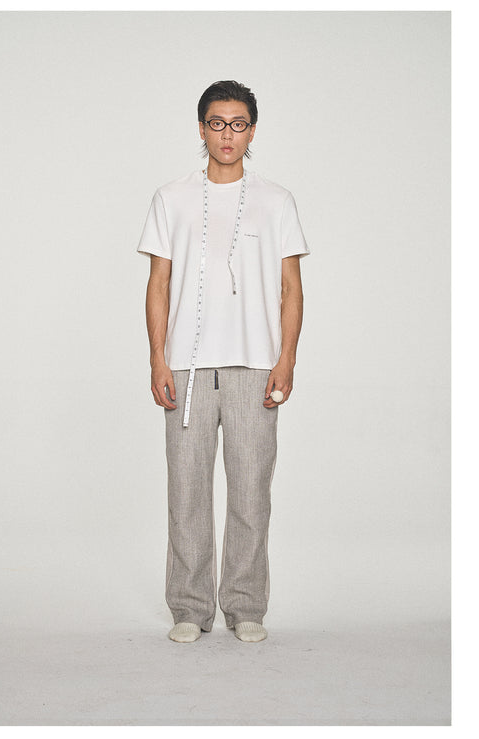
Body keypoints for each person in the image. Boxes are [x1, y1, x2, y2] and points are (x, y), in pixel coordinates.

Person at [137, 80, 310, 643]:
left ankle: (245, 605)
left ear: (252, 131)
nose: (227, 134)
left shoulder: (276, 200)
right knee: (186, 492)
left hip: (255, 366)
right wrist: (158, 359)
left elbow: (291, 287)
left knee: (251, 492)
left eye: (238, 124)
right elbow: (158, 283)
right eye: (217, 123)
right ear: (202, 128)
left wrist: (286, 359)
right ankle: (189, 608)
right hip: (186, 368)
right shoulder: (171, 197)